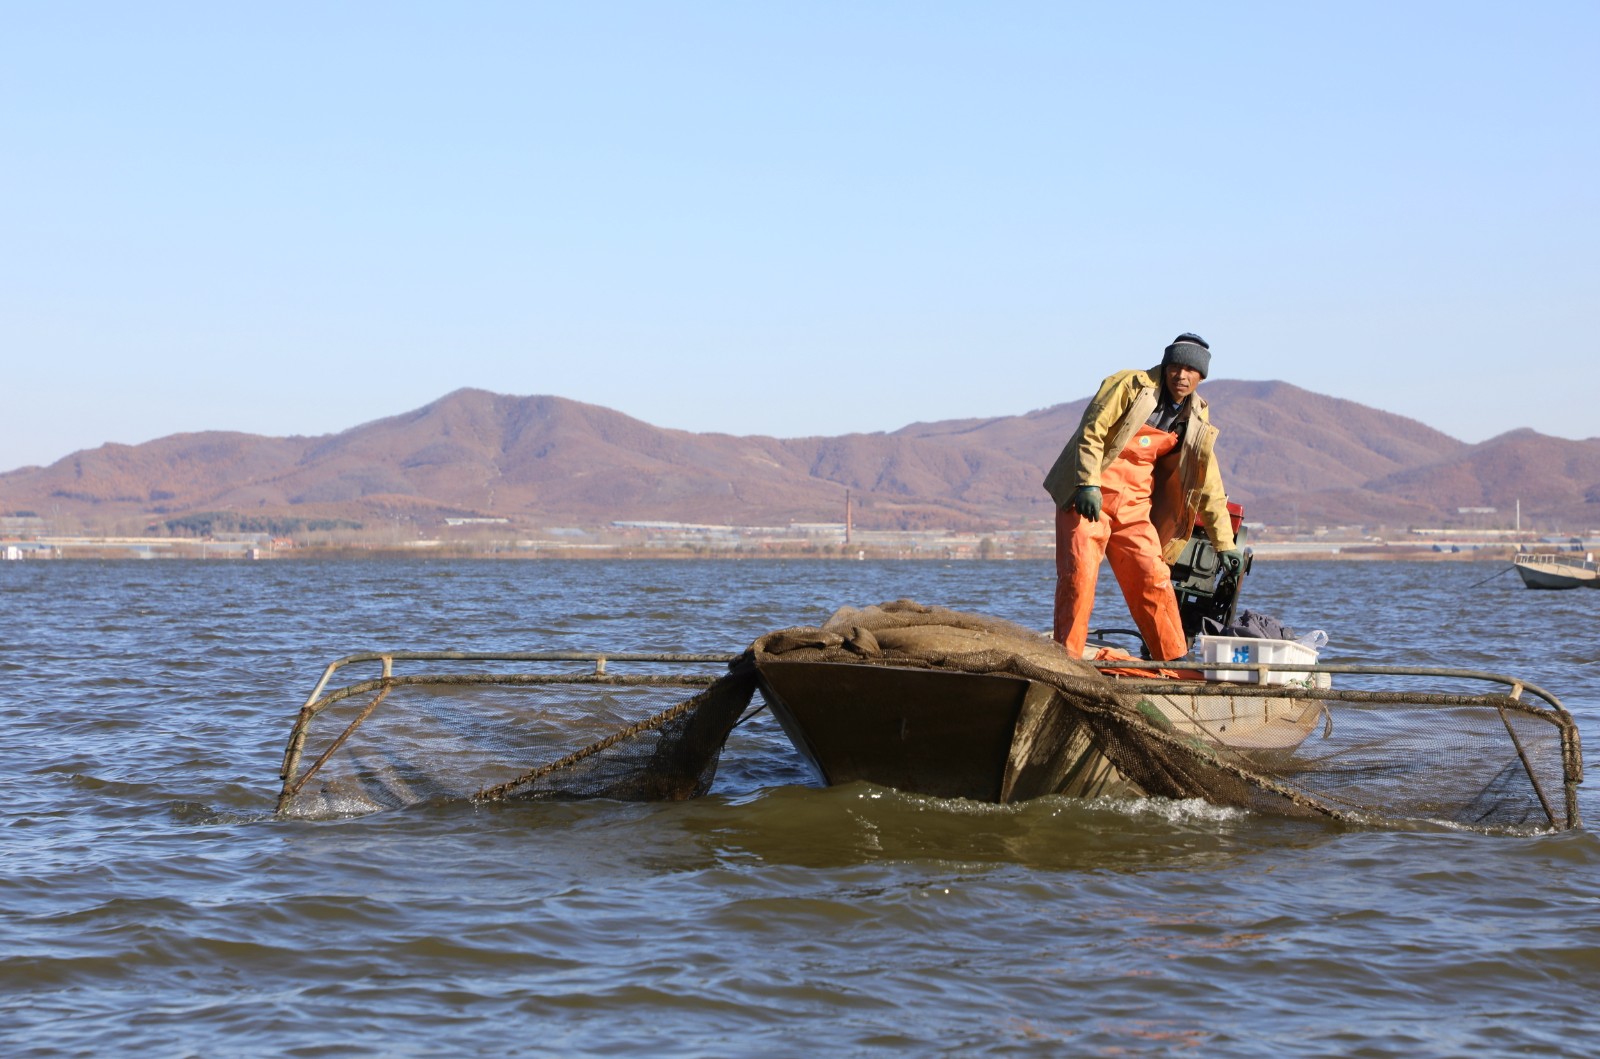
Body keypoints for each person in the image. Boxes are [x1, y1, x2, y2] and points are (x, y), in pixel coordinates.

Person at [1042, 333, 1241, 661]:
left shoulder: (1196, 420)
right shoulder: (1131, 385)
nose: (1181, 375)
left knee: (1154, 578)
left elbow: (1209, 485)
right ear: (1165, 366)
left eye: (1191, 370)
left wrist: (1225, 545)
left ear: (1201, 377)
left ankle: (1174, 664)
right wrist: (1088, 484)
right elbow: (1091, 430)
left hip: (1135, 508)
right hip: (1089, 501)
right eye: (1175, 366)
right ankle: (1067, 661)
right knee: (1079, 577)